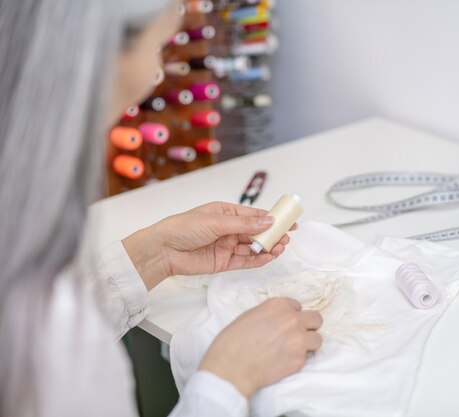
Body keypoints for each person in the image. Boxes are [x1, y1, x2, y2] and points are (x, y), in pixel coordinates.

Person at [0, 1, 323, 416]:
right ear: (101, 54)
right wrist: (227, 378)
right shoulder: (58, 342)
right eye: (158, 47)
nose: (156, 76)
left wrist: (154, 255)